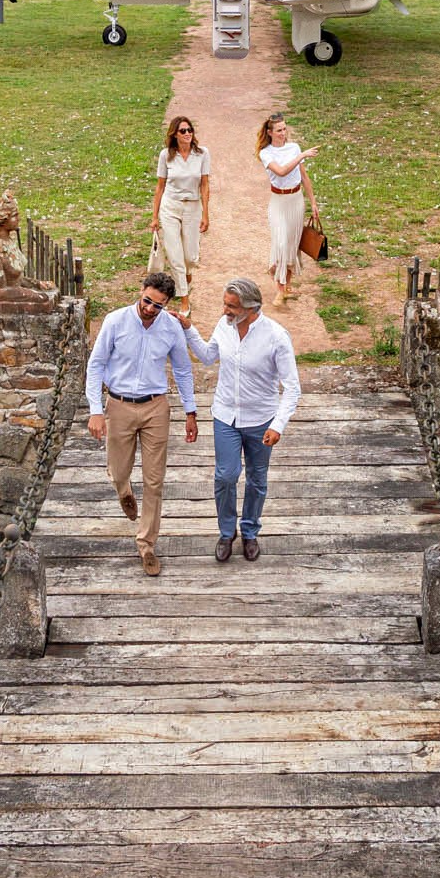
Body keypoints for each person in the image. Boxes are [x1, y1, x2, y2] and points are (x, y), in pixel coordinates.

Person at [177, 277, 300, 562]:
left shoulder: (276, 337)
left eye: (231, 306)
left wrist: (277, 425)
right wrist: (189, 330)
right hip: (225, 416)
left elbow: (292, 387)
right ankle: (226, 531)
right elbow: (208, 357)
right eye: (225, 304)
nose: (224, 311)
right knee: (226, 475)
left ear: (250, 307)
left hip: (261, 419)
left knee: (257, 479)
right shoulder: (225, 326)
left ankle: (250, 531)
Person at [84, 271, 198, 576]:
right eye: (147, 300)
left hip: (155, 407)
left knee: (154, 480)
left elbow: (184, 370)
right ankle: (123, 489)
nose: (150, 308)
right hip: (119, 404)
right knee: (118, 469)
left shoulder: (171, 328)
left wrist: (191, 412)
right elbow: (95, 365)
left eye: (158, 305)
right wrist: (96, 410)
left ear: (167, 304)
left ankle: (147, 544)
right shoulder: (115, 321)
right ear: (141, 292)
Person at [256, 111, 321, 301]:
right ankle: (279, 285)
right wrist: (302, 155)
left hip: (296, 200)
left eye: (284, 129)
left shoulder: (293, 148)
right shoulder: (266, 153)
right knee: (281, 242)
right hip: (278, 201)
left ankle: (285, 286)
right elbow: (282, 172)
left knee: (292, 245)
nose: (283, 133)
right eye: (278, 130)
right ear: (269, 132)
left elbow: (304, 177)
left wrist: (313, 202)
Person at [150, 114, 211, 303]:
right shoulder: (166, 155)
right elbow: (160, 186)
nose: (187, 134)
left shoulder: (202, 154)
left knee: (190, 256)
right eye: (183, 131)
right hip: (171, 206)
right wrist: (154, 217)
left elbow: (205, 184)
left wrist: (206, 214)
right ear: (175, 134)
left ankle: (187, 274)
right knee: (175, 255)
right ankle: (184, 298)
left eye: (190, 130)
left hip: (192, 206)